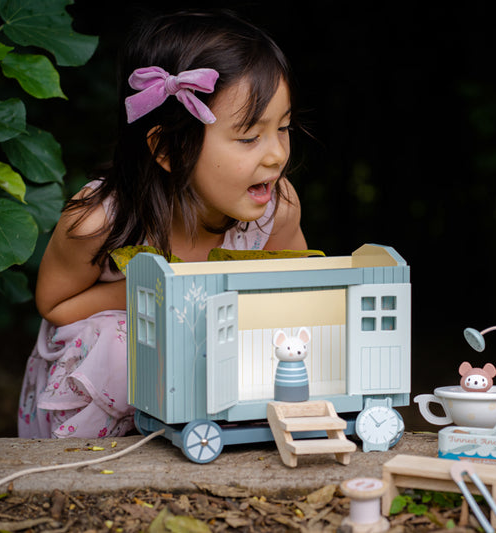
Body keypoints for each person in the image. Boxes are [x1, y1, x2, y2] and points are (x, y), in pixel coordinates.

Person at [18, 8, 307, 438]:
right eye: (249, 137)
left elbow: (297, 297)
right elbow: (54, 306)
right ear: (168, 149)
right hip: (97, 392)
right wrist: (152, 292)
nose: (276, 155)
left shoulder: (274, 210)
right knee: (120, 344)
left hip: (207, 380)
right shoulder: (97, 220)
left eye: (282, 128)